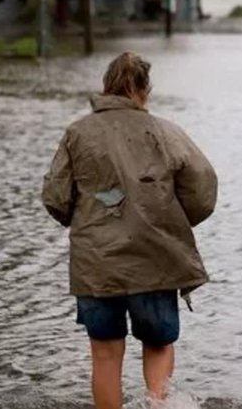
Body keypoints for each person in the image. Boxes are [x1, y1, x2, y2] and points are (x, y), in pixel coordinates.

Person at [41, 52, 218, 409]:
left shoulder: (77, 133)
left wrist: (88, 221)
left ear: (106, 86)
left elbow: (55, 198)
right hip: (156, 259)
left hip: (96, 264)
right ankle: (159, 405)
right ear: (144, 90)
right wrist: (172, 221)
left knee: (105, 354)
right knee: (158, 344)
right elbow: (202, 187)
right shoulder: (165, 132)